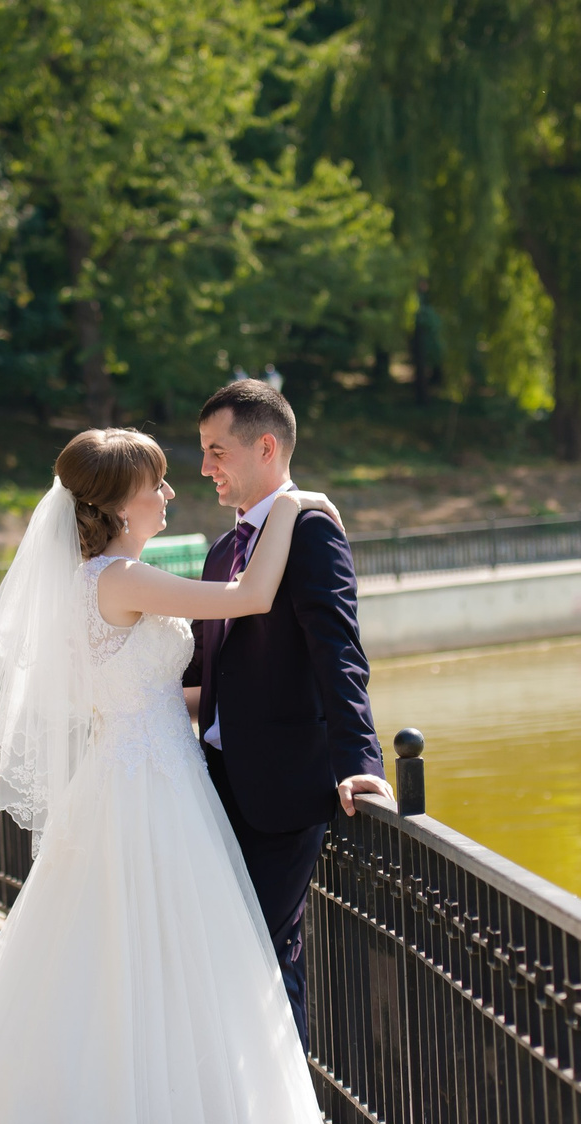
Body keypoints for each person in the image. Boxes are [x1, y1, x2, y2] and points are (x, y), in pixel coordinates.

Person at [0, 428, 347, 1124]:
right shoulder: (124, 578)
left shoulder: (84, 584)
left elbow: (134, 694)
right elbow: (251, 597)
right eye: (158, 483)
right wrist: (298, 507)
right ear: (117, 503)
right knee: (176, 965)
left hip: (127, 772)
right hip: (153, 791)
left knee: (113, 968)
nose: (169, 494)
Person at [185, 379, 391, 1044]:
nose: (205, 467)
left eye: (217, 451)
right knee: (219, 960)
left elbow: (339, 653)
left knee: (267, 963)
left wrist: (360, 761)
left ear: (265, 447)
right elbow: (203, 673)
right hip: (208, 786)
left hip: (280, 793)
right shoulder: (222, 551)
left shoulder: (311, 533)